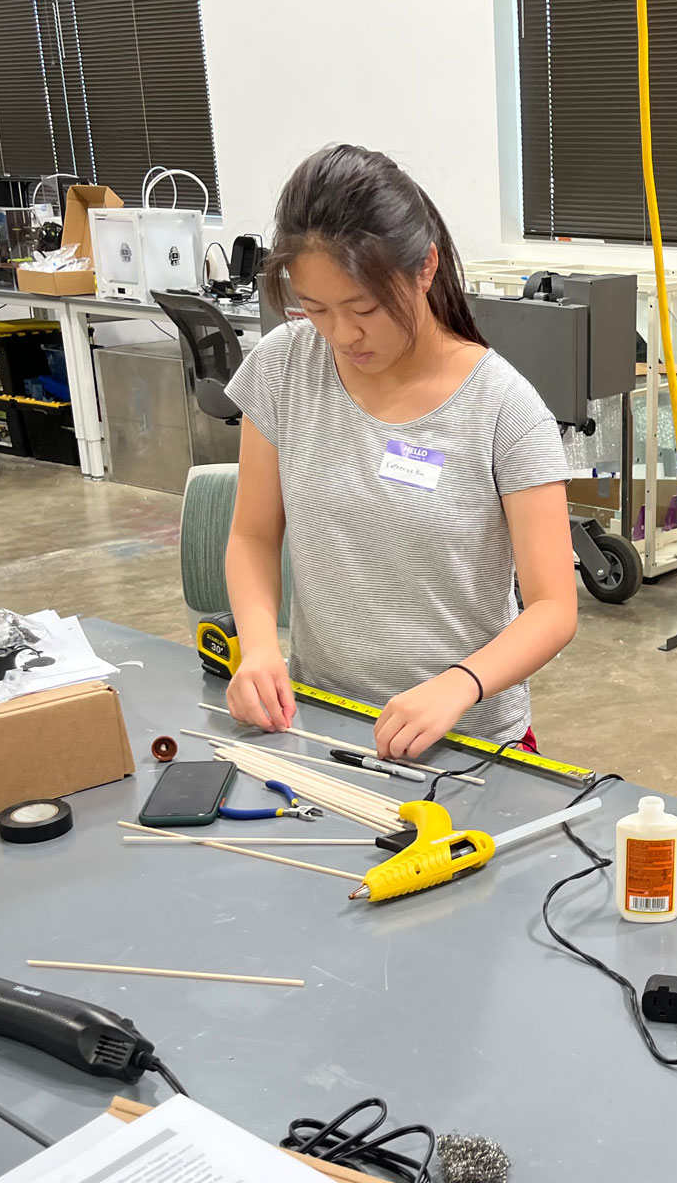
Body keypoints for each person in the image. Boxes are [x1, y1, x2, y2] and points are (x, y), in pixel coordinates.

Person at [223, 144, 577, 756]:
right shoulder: (284, 367)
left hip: (466, 742)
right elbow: (253, 535)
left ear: (426, 267)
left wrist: (460, 685)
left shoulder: (504, 409)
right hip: (321, 718)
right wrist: (258, 647)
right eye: (316, 308)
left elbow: (553, 608)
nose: (343, 334)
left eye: (365, 307)